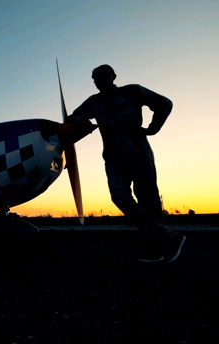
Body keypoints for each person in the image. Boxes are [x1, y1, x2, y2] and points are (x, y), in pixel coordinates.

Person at [67, 64, 186, 263]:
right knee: (119, 196)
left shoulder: (133, 91)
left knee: (148, 199)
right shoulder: (93, 102)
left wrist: (152, 128)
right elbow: (74, 117)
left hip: (137, 149)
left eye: (103, 76)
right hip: (113, 156)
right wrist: (75, 122)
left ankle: (156, 250)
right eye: (95, 78)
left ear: (113, 76)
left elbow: (164, 103)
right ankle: (170, 238)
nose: (99, 81)